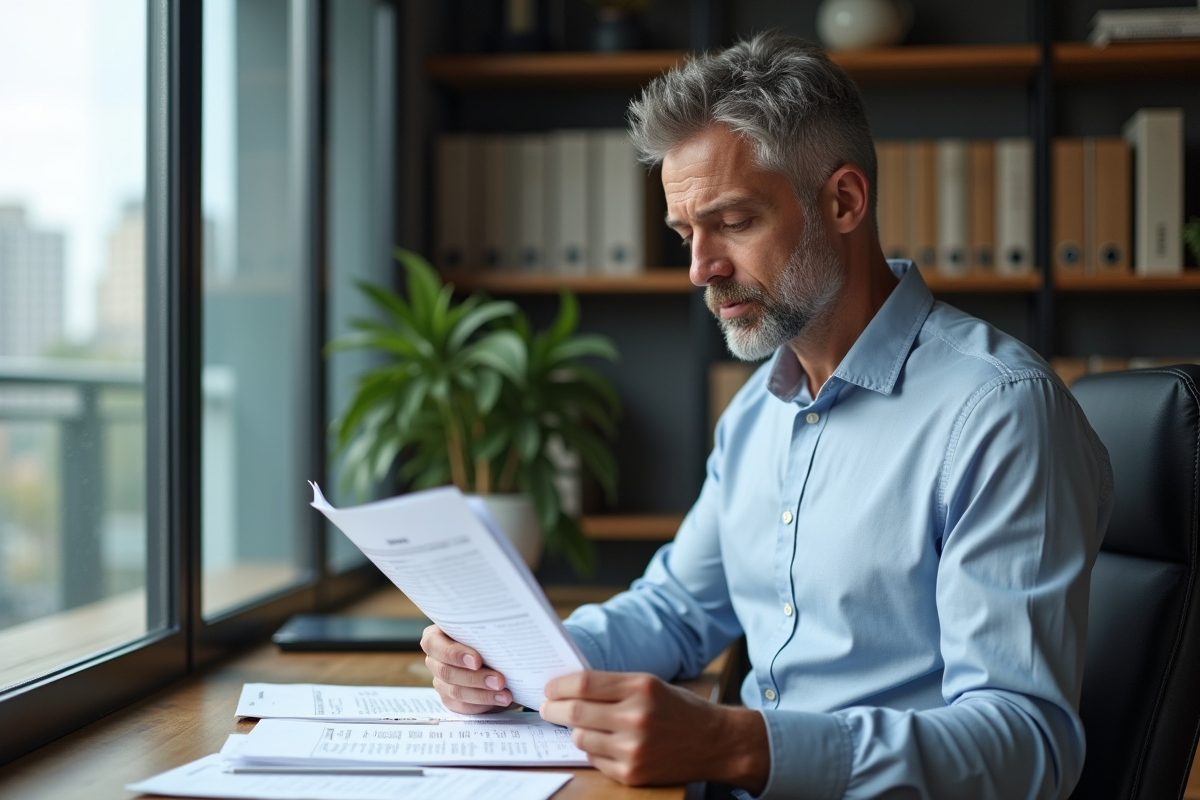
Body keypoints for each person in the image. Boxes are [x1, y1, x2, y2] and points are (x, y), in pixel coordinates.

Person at [421, 31, 1113, 799]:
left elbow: (1027, 745)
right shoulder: (757, 412)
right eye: (687, 234)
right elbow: (679, 611)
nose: (700, 270)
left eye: (734, 222)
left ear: (844, 201)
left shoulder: (998, 413)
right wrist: (510, 660)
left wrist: (742, 746)